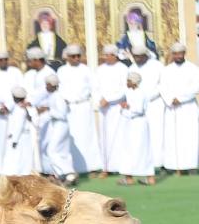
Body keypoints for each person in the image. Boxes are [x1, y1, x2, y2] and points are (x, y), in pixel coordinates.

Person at [56, 44, 100, 174]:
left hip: (83, 106)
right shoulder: (62, 71)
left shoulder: (85, 69)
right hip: (68, 108)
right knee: (71, 137)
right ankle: (72, 168)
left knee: (87, 136)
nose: (76, 58)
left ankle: (91, 167)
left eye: (78, 56)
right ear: (67, 57)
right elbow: (58, 90)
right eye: (73, 56)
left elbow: (94, 88)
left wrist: (97, 103)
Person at [158, 42, 199, 174]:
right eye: (175, 54)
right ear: (172, 55)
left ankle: (191, 165)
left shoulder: (193, 69)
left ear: (184, 54)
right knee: (172, 137)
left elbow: (195, 87)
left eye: (180, 53)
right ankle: (173, 166)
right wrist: (170, 99)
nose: (178, 56)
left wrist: (180, 98)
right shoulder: (166, 70)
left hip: (188, 109)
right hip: (171, 108)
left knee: (189, 137)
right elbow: (162, 87)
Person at [95, 44, 128, 177]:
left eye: (110, 55)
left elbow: (124, 90)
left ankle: (120, 167)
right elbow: (95, 87)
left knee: (119, 137)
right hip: (104, 109)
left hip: (116, 107)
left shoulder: (123, 69)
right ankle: (106, 167)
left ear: (115, 55)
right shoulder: (100, 69)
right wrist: (101, 100)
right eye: (106, 55)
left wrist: (109, 99)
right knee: (105, 138)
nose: (107, 57)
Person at [115, 71, 154, 185]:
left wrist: (126, 107)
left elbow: (138, 110)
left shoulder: (140, 93)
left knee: (142, 150)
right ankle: (128, 177)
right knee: (128, 150)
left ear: (134, 82)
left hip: (138, 124)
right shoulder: (129, 92)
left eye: (128, 81)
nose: (127, 82)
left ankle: (149, 177)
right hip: (130, 124)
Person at [0, 50, 22, 175]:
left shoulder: (16, 72)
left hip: (15, 110)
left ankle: (15, 168)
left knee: (15, 139)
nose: (3, 62)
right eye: (0, 60)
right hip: (0, 114)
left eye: (5, 59)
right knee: (0, 141)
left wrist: (9, 106)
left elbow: (21, 90)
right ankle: (1, 169)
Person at [38, 74, 76, 183]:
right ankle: (64, 175)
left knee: (52, 150)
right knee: (61, 151)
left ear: (51, 85)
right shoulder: (54, 96)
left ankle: (68, 172)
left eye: (47, 85)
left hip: (61, 124)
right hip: (57, 125)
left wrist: (48, 110)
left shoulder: (58, 96)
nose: (46, 87)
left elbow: (62, 114)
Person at [1, 85, 34, 175]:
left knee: (18, 157)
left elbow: (18, 126)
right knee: (24, 157)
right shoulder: (24, 107)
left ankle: (18, 175)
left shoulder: (20, 109)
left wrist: (14, 140)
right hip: (24, 136)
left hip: (20, 137)